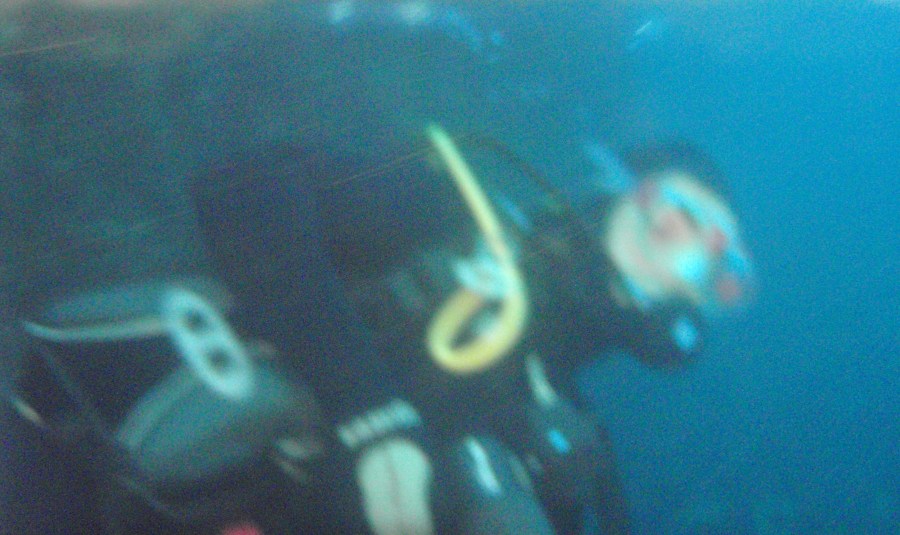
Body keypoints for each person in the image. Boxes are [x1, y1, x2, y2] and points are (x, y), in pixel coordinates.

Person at [4, 124, 753, 534]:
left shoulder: (565, 444)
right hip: (72, 456)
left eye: (715, 260)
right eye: (677, 215)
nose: (683, 250)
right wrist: (368, 409)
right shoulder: (450, 213)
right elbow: (242, 186)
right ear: (620, 187)